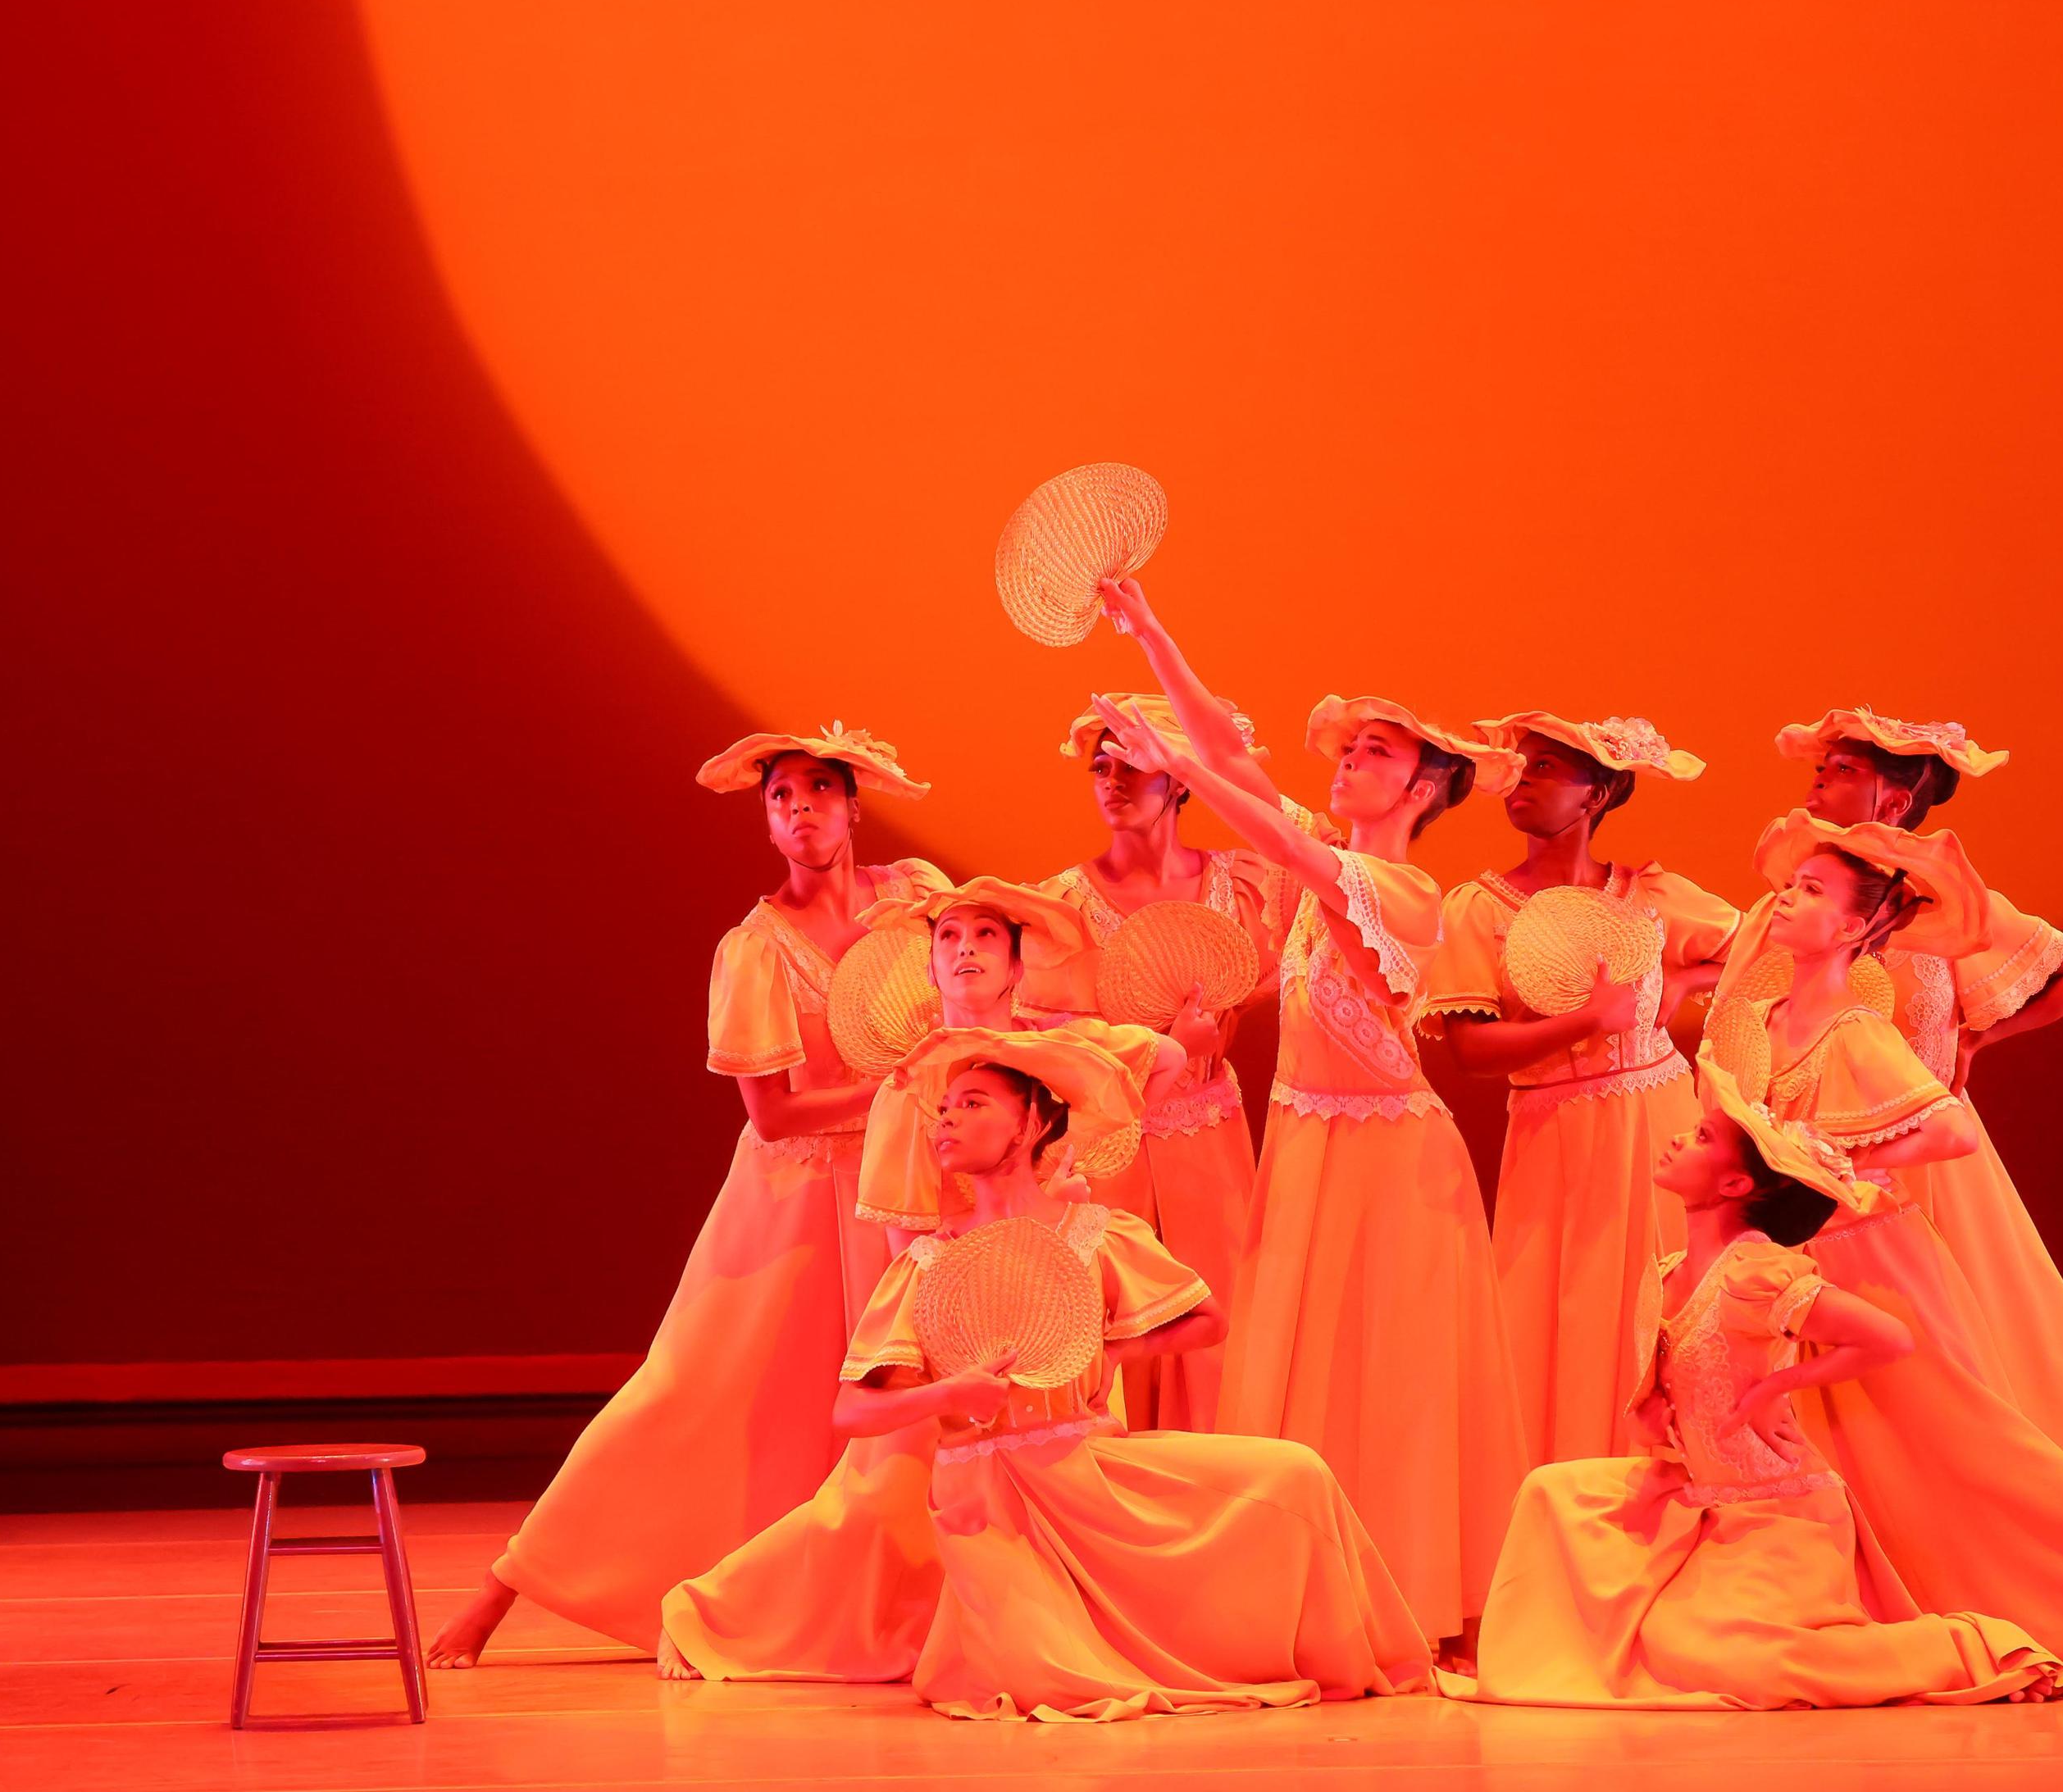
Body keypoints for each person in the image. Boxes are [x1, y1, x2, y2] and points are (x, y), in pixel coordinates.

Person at [666, 1022, 1433, 1722]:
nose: (947, 1121)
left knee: (1293, 1473)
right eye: (942, 1110)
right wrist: (951, 1394)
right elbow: (851, 1412)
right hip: (991, 1505)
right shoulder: (931, 1260)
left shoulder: (1092, 1233)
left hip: (1091, 1465)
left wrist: (1103, 1347)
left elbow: (1207, 1320)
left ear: (1032, 1121)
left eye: (972, 1103)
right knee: (1050, 1680)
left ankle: (1336, 1656)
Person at [430, 725, 946, 1667]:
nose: (802, 810)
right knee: (693, 1390)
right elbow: (778, 1114)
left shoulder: (913, 901)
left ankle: (869, 1603)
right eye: (782, 797)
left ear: (853, 803)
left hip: (905, 1186)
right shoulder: (754, 948)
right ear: (767, 819)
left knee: (893, 1407)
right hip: (795, 1198)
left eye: (819, 790)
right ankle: (503, 1588)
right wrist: (898, 1082)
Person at [1086, 575, 1529, 1651]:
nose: (1346, 763)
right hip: (1308, 1143)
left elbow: (1276, 838)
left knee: (1389, 1380)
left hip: (1390, 1166)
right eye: (1347, 748)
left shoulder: (1407, 894)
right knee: (1306, 1367)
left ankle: (1403, 1595)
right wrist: (1153, 633)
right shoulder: (1331, 863)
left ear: (1429, 783)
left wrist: (1180, 766)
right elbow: (1238, 768)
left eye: (1376, 751)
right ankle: (1304, 1588)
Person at [1706, 812, 2063, 1666]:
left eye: (1811, 891)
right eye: (1789, 885)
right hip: (1810, 1264)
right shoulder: (1771, 1018)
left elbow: (1950, 1132)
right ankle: (1872, 1604)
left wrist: (1838, 1161)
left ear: (1855, 926)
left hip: (1884, 1266)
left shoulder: (1858, 1030)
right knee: (1855, 1451)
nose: (1785, 899)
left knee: (1976, 1445)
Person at [1446, 1062, 2063, 1708]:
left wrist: (1780, 1386)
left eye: (1703, 1138)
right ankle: (1543, 1656)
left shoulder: (1755, 1273)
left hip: (1776, 1519)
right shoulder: (1666, 1274)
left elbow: (1889, 1337)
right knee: (1552, 1492)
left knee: (1731, 1661)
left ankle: (1969, 1649)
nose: (1681, 1140)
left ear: (1736, 1183)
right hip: (1698, 1500)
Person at [658, 874, 1096, 1684]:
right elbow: (909, 1241)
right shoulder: (909, 1088)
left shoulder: (1053, 1064)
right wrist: (954, 1354)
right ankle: (713, 1611)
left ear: (1015, 964)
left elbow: (1137, 1094)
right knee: (874, 1507)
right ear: (930, 968)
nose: (965, 951)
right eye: (949, 940)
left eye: (985, 938)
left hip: (1043, 1330)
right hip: (955, 1326)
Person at [1420, 712, 1738, 1462]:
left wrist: (1686, 977)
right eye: (1521, 768)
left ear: (1595, 795)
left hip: (1661, 1115)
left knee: (1669, 1296)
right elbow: (1470, 1049)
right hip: (1556, 1129)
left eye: (1544, 771)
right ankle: (1571, 1474)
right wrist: (1586, 1021)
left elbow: (1769, 952)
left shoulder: (1649, 895)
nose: (1521, 783)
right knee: (1569, 1306)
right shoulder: (1481, 908)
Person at [1025, 694, 1281, 1431]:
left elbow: (1253, 972)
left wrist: (1218, 1029)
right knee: (1119, 1317)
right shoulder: (1062, 904)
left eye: (1132, 766)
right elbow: (1054, 1043)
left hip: (1209, 1132)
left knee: (1219, 1313)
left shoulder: (1240, 882)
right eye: (1101, 767)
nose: (1113, 781)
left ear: (1178, 780)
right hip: (1114, 1140)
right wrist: (1165, 1045)